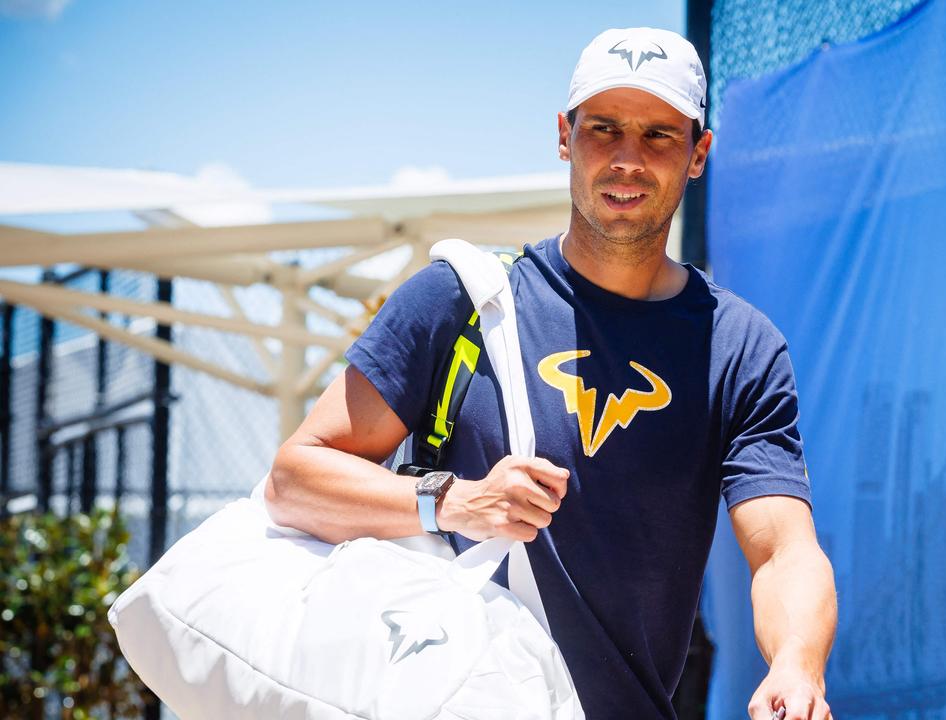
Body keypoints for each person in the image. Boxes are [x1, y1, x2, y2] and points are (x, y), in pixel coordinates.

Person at [266, 27, 836, 720]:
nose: (628, 159)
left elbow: (783, 552)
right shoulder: (461, 299)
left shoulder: (738, 346)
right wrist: (453, 502)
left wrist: (797, 664)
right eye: (604, 129)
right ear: (565, 137)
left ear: (698, 154)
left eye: (659, 135)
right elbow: (295, 479)